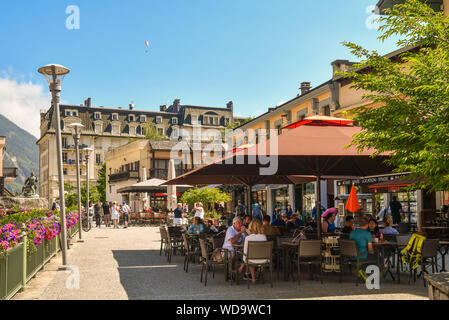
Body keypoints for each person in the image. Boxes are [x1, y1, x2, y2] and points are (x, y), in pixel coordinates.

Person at [238, 220, 267, 284]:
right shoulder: (264, 237)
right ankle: (252, 275)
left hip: (252, 259)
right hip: (264, 259)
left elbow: (245, 252)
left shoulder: (248, 238)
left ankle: (253, 278)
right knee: (251, 256)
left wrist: (243, 264)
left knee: (249, 257)